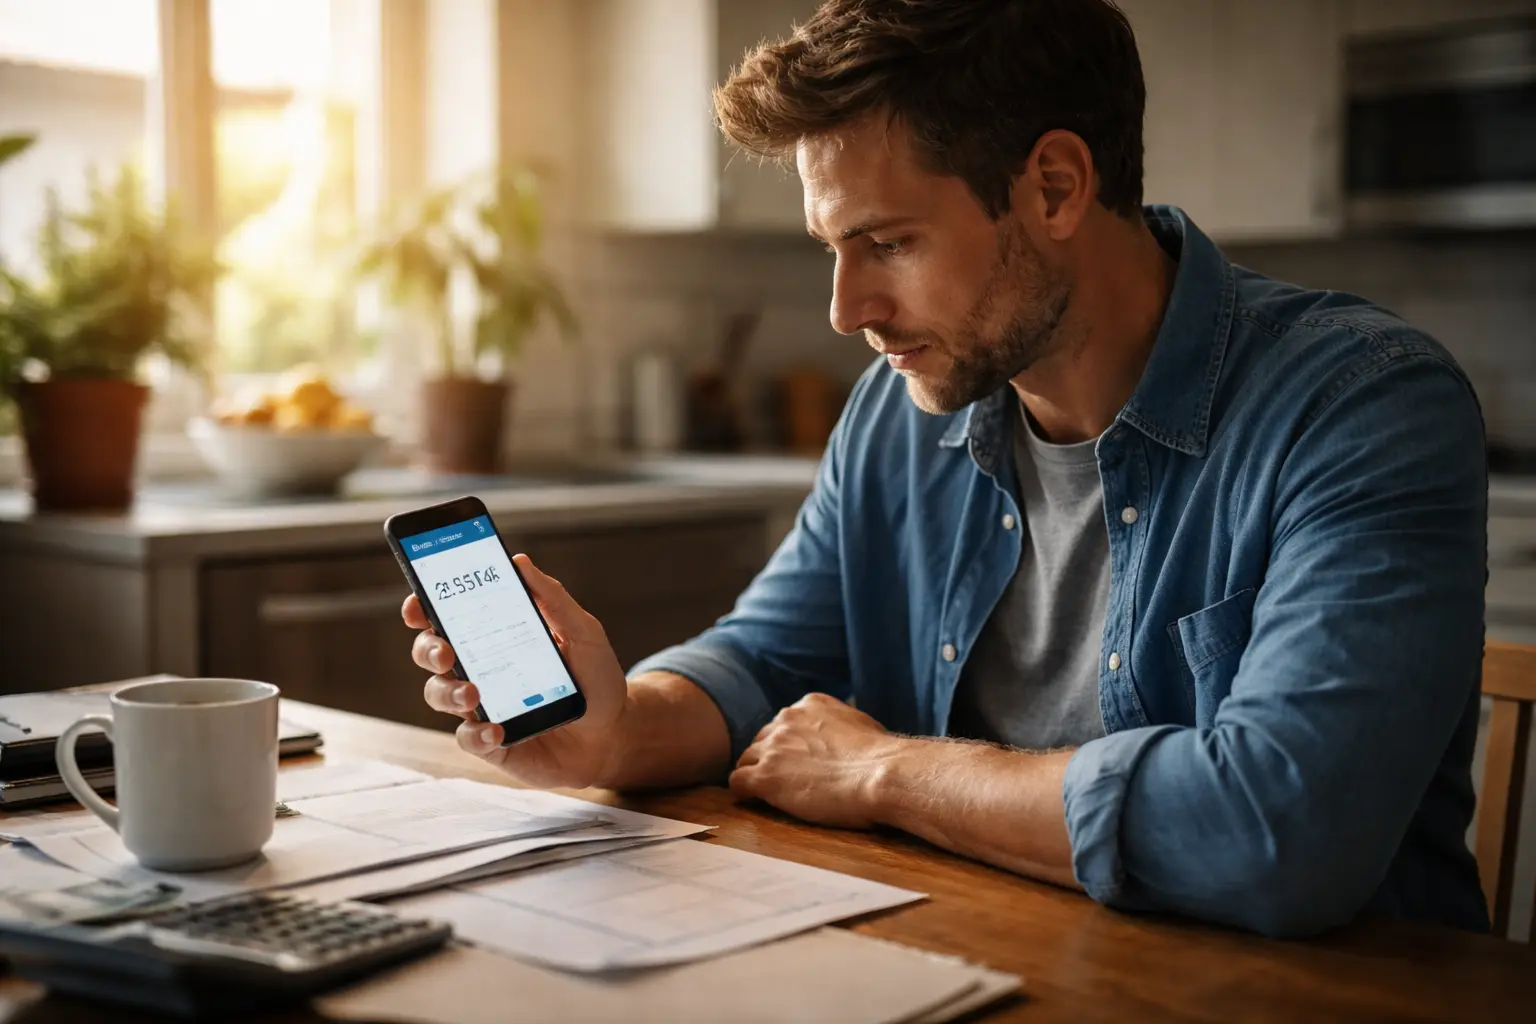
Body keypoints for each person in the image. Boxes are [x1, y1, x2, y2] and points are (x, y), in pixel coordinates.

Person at [403, 0, 1490, 938]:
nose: (846, 312)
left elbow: (1276, 833)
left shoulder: (1361, 405)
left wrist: (885, 771)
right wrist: (618, 726)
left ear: (1056, 186)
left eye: (888, 243)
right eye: (833, 250)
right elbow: (771, 654)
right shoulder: (900, 412)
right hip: (1007, 958)